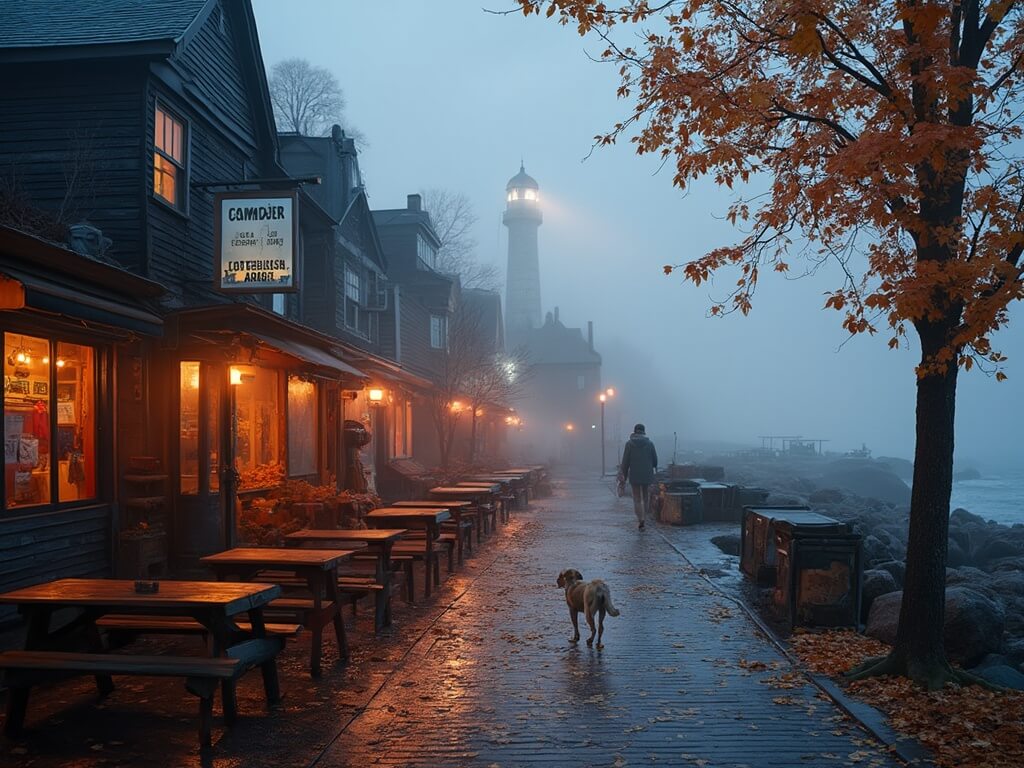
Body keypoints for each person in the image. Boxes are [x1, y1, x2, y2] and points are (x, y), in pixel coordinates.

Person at [619, 423, 658, 529]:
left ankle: (640, 519)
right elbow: (655, 460)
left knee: (636, 498)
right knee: (646, 497)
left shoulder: (629, 444)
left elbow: (625, 462)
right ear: (644, 432)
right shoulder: (650, 444)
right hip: (647, 474)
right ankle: (644, 517)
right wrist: (652, 467)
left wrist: (624, 476)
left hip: (635, 475)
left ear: (635, 432)